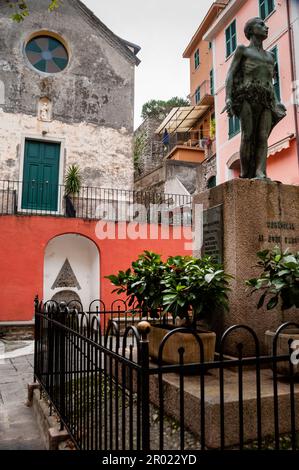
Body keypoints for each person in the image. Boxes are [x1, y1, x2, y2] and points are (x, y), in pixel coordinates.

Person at [223, 17, 286, 179]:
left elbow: (271, 82)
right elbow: (230, 75)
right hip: (246, 96)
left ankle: (260, 171)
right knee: (247, 134)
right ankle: (245, 172)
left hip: (266, 98)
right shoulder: (242, 50)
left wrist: (277, 102)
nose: (266, 27)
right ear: (251, 30)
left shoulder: (271, 56)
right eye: (261, 24)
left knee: (262, 136)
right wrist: (228, 98)